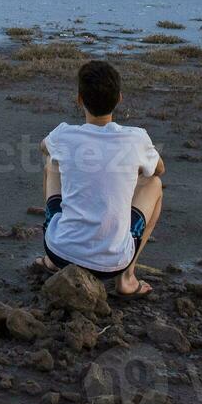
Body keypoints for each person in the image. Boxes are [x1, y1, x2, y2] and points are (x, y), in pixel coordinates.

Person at [36, 60, 164, 298]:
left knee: (52, 164)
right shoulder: (136, 138)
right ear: (119, 99)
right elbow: (159, 170)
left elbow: (43, 147)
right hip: (112, 263)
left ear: (79, 100)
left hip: (58, 251)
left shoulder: (64, 134)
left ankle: (51, 263)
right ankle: (126, 278)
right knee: (154, 185)